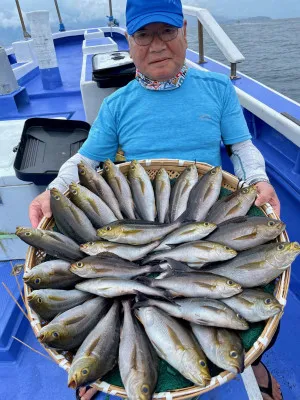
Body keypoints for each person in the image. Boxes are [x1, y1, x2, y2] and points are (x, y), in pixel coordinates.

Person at [29, 1, 282, 399]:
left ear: (183, 31)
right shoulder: (117, 105)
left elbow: (242, 146)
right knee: (102, 293)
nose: (157, 45)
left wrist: (258, 179)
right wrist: (53, 190)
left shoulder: (217, 90)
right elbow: (85, 160)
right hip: (138, 218)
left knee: (248, 310)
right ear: (129, 41)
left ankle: (254, 357)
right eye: (144, 35)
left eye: (166, 31)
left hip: (207, 216)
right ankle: (99, 352)